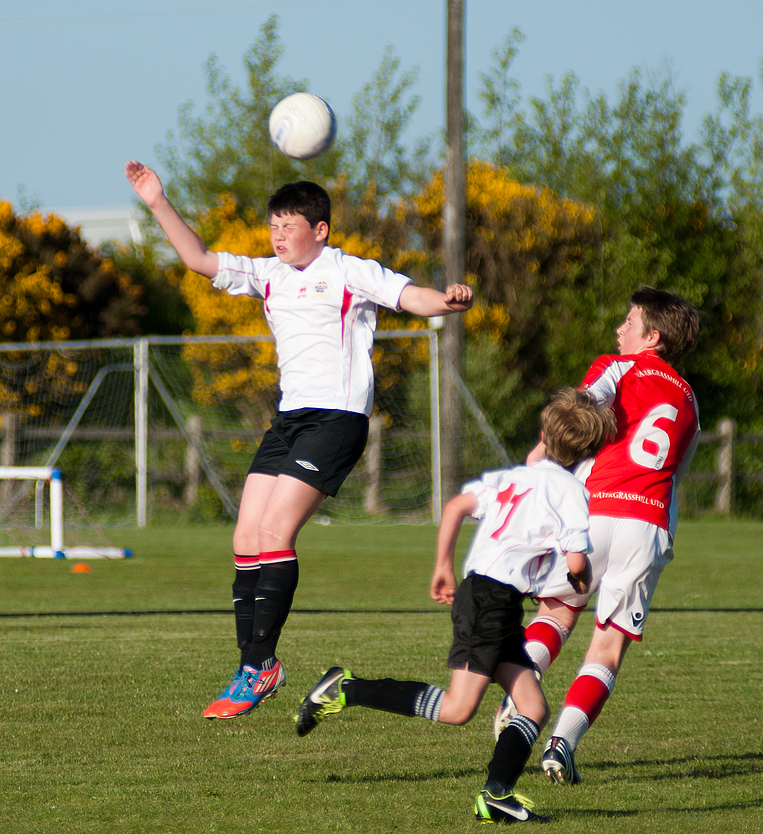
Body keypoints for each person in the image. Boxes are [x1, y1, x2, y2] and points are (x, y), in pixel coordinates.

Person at [124, 161, 474, 720]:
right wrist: (157, 202)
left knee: (274, 530)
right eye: (274, 226)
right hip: (289, 420)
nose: (278, 235)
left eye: (289, 226)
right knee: (244, 538)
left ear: (321, 230)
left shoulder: (348, 271)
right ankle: (254, 666)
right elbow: (197, 260)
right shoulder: (268, 274)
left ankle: (260, 665)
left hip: (337, 419)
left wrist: (450, 300)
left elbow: (410, 297)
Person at [294, 387, 615, 824]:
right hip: (491, 603)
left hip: (488, 598)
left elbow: (457, 505)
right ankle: (346, 688)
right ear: (590, 453)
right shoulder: (572, 492)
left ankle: (497, 794)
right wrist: (579, 578)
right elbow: (578, 560)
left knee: (534, 707)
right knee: (458, 709)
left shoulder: (516, 476)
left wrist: (443, 563)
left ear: (544, 434)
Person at [504, 287, 701, 786]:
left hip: (593, 512)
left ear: (651, 337)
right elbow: (675, 471)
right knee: (607, 648)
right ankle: (561, 744)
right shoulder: (690, 400)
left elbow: (581, 410)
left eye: (629, 321)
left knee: (558, 611)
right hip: (648, 524)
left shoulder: (615, 366)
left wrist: (544, 452)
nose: (620, 329)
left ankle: (517, 701)